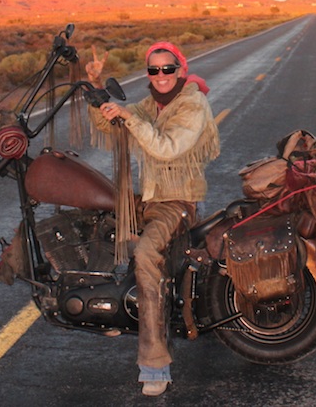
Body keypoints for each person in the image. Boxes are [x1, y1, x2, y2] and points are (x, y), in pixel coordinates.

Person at [86, 42, 220, 397]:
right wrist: (98, 89)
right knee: (94, 220)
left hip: (176, 203)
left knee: (145, 254)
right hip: (150, 198)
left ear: (180, 70)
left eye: (167, 69)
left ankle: (155, 365)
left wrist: (130, 118)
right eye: (153, 70)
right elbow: (114, 122)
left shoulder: (192, 104)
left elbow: (165, 147)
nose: (160, 76)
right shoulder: (153, 104)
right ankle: (108, 312)